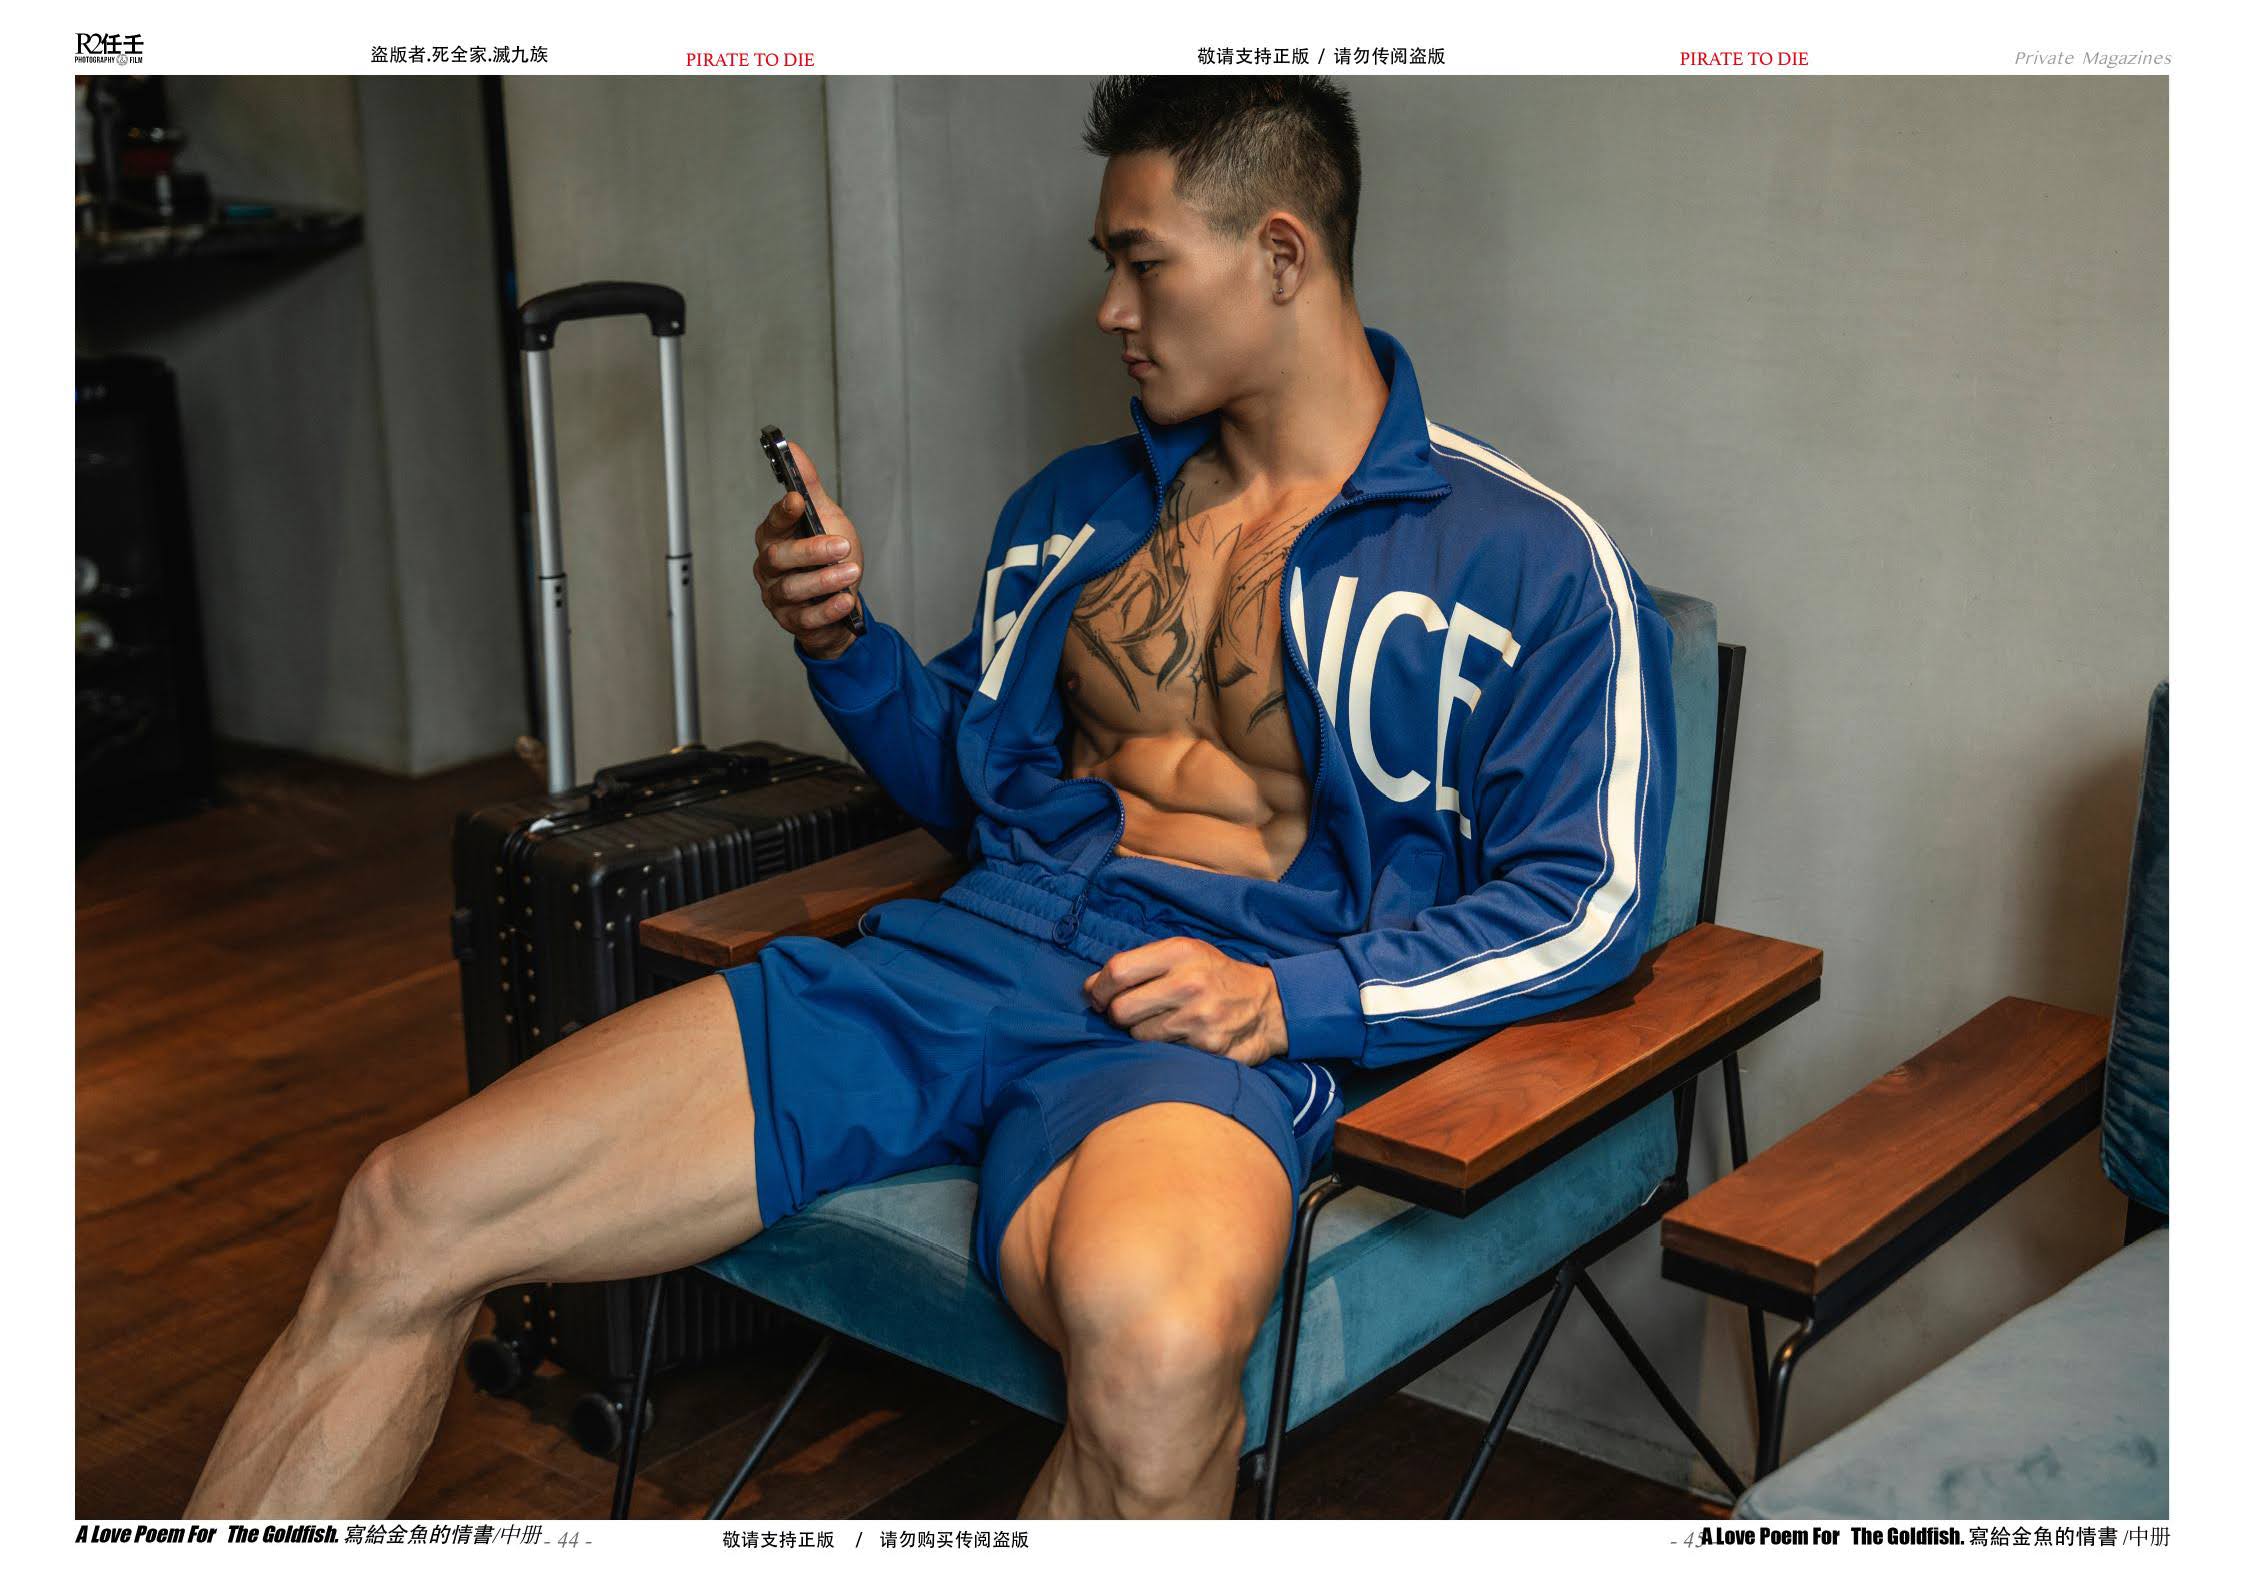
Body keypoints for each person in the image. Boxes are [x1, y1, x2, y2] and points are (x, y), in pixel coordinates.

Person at [185, 75, 1675, 1521]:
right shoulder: (1074, 512)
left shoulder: (1526, 560)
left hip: (1190, 1019)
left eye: (1142, 263)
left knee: (1158, 1368)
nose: (1109, 310)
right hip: (957, 955)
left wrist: (1295, 1000)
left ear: (1280, 254)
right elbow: (975, 785)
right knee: (406, 1210)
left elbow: (1586, 903)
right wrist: (843, 646)